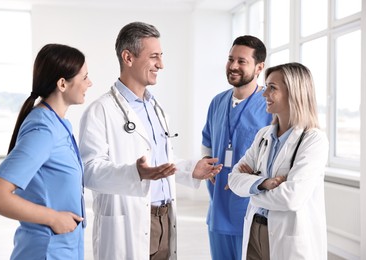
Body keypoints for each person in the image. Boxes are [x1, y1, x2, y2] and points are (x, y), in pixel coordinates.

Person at [79, 21, 222, 260]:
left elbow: (160, 163)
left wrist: (189, 169)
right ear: (128, 57)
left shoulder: (155, 109)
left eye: (161, 56)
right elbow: (89, 171)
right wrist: (135, 173)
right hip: (129, 220)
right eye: (154, 56)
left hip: (165, 219)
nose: (161, 64)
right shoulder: (100, 111)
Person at [0, 43, 92, 260]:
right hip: (45, 252)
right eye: (84, 77)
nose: (90, 83)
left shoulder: (59, 125)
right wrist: (53, 218)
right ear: (62, 84)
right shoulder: (43, 130)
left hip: (63, 249)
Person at [228, 62, 328, 260]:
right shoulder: (263, 135)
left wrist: (252, 190)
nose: (264, 95)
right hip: (255, 228)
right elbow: (233, 179)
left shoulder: (313, 139)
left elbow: (291, 198)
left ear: (294, 92)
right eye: (265, 88)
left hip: (287, 237)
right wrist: (264, 183)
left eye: (272, 88)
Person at [201, 35, 272, 259]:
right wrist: (207, 164)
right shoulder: (217, 102)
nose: (233, 66)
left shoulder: (269, 105)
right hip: (219, 207)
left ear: (259, 67)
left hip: (251, 209)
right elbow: (207, 141)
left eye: (242, 61)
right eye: (230, 59)